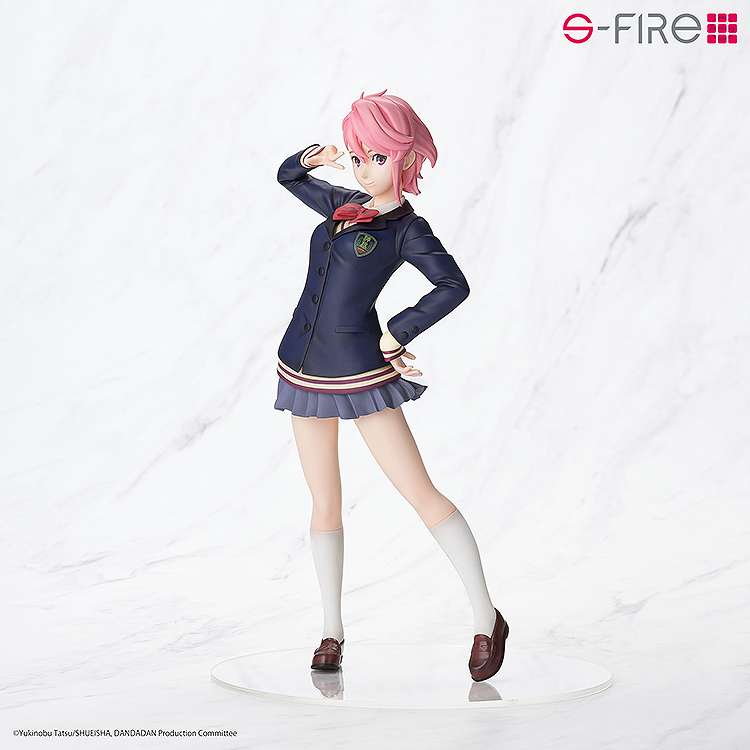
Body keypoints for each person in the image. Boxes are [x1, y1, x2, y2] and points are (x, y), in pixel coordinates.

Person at [274, 89, 509, 682]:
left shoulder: (407, 229)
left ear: (405, 159)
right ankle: (331, 631)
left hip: (360, 368)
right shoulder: (341, 203)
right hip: (302, 364)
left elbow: (453, 285)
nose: (363, 168)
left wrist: (398, 331)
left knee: (420, 492)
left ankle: (487, 618)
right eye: (358, 156)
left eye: (376, 157)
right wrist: (317, 157)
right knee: (324, 502)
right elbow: (287, 176)